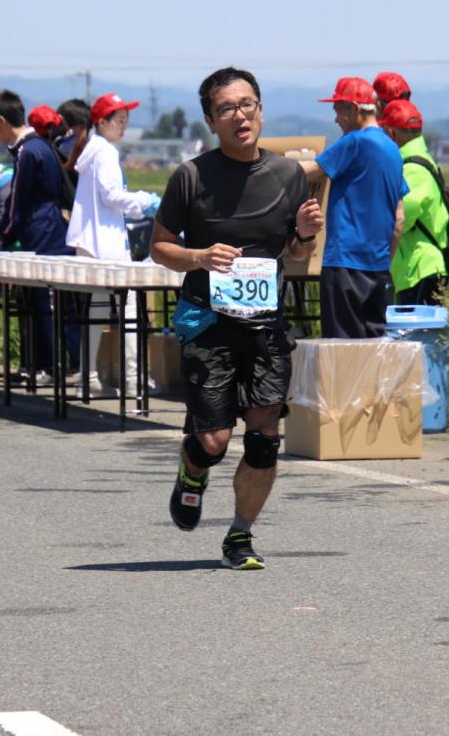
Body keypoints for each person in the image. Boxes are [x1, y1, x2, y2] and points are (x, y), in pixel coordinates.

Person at [151, 67, 323, 570]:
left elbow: (294, 254)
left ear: (260, 111)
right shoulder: (191, 177)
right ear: (211, 121)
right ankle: (193, 471)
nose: (239, 115)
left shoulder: (289, 175)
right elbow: (160, 247)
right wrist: (200, 257)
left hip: (265, 326)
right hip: (208, 323)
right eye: (226, 108)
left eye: (247, 104)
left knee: (264, 437)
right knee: (213, 442)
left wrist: (305, 234)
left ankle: (239, 536)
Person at [66, 92, 159, 395]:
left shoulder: (93, 149)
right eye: (119, 120)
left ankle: (89, 377)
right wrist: (144, 201)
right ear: (102, 122)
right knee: (128, 307)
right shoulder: (105, 152)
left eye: (125, 121)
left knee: (95, 310)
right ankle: (133, 379)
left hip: (91, 242)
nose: (123, 127)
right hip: (105, 245)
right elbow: (112, 196)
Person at [300, 77, 407, 338]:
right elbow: (399, 219)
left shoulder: (355, 142)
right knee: (372, 348)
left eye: (338, 110)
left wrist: (267, 166)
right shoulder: (393, 150)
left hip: (344, 263)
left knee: (341, 350)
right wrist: (385, 261)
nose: (336, 119)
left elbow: (309, 172)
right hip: (378, 267)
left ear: (354, 109)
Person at [0, 89, 73, 378]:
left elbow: (18, 205)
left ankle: (46, 366)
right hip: (54, 230)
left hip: (40, 234)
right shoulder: (41, 145)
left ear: (1, 121)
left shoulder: (27, 151)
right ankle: (54, 364)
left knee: (40, 304)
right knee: (52, 304)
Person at [379, 99, 448, 305]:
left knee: (416, 325)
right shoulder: (420, 159)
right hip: (416, 268)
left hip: (420, 267)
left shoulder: (413, 169)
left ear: (391, 133)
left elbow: (401, 219)